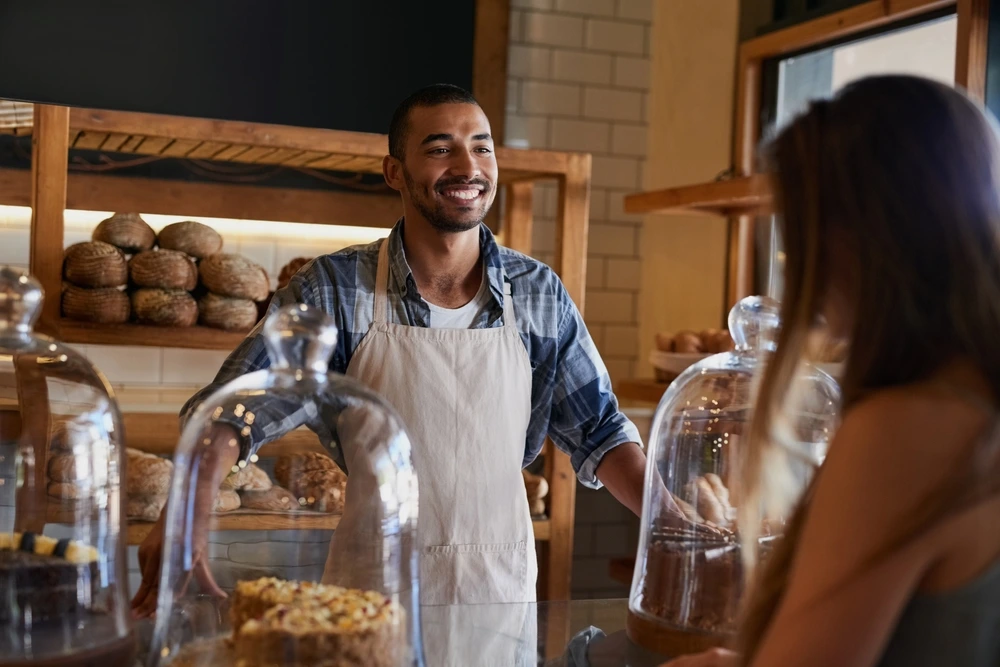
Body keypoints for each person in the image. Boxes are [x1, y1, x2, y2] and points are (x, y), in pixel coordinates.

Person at [130, 83, 648, 617]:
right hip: (371, 599)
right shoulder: (334, 289)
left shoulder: (538, 293)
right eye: (440, 148)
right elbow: (232, 409)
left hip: (499, 594)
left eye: (482, 147)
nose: (468, 166)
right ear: (394, 171)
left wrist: (673, 524)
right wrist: (186, 510)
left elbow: (601, 431)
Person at [664, 75, 1000, 667]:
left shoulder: (904, 433)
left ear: (855, 238)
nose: (795, 262)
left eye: (800, 229)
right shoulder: (976, 404)